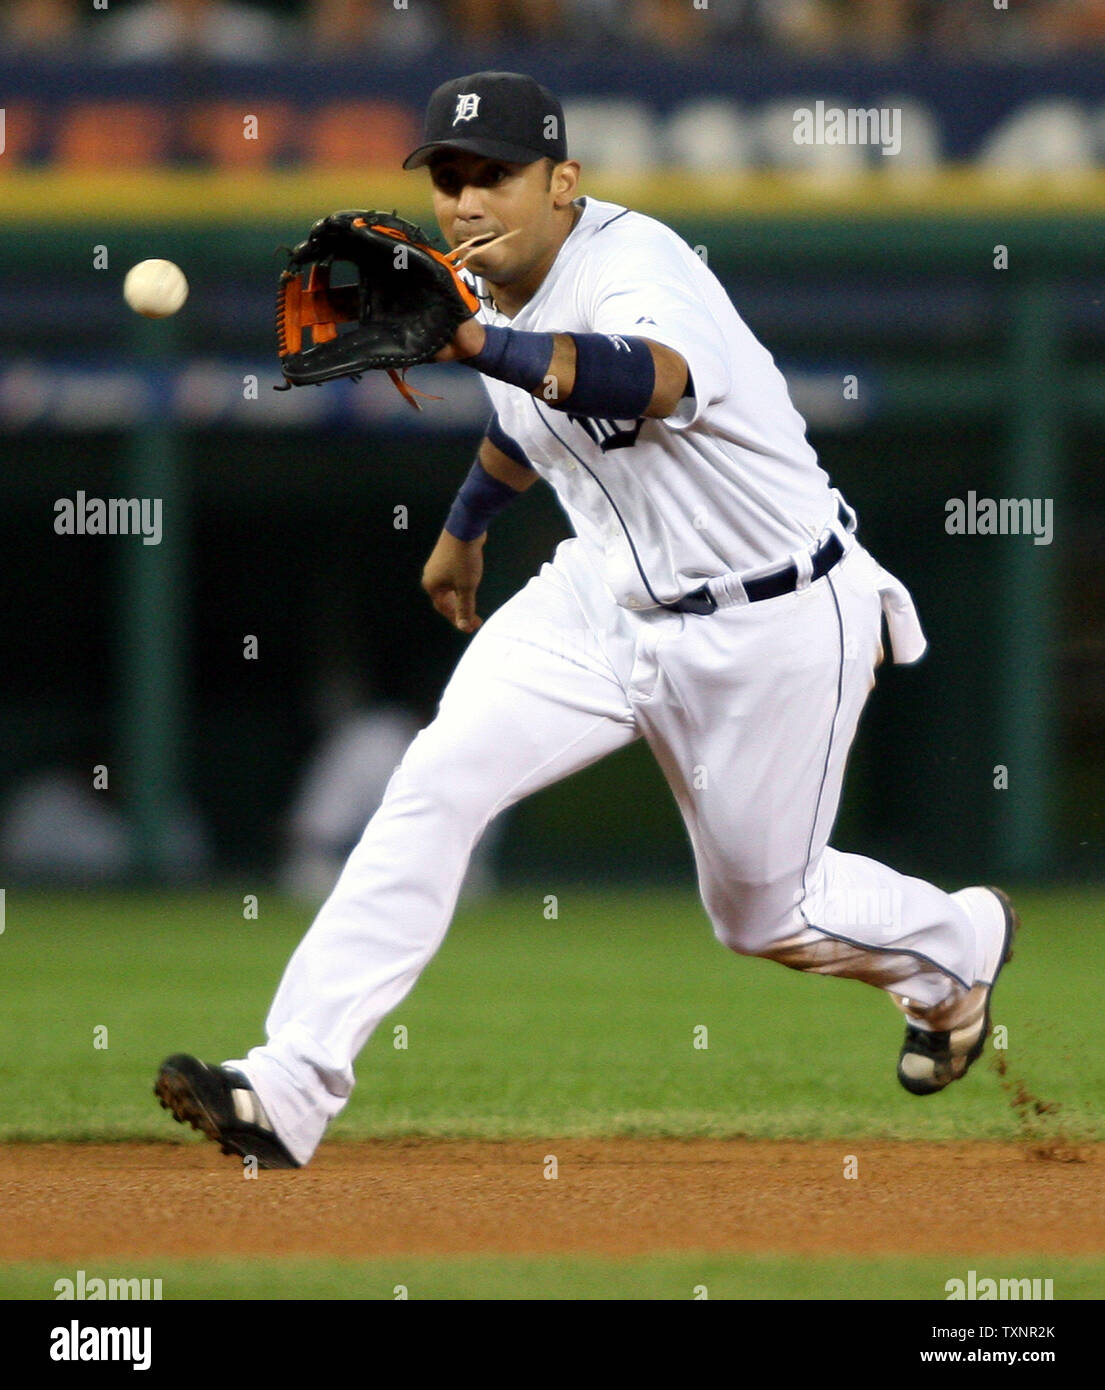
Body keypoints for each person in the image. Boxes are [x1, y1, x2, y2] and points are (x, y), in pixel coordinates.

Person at [155, 71, 1017, 1169]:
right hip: (600, 597)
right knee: (435, 782)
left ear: (563, 182)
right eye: (449, 179)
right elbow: (532, 421)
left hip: (772, 614)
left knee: (763, 917)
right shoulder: (486, 289)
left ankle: (958, 945)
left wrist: (476, 346)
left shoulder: (636, 264)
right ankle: (287, 1085)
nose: (467, 202)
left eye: (495, 175)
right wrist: (465, 526)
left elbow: (646, 380)